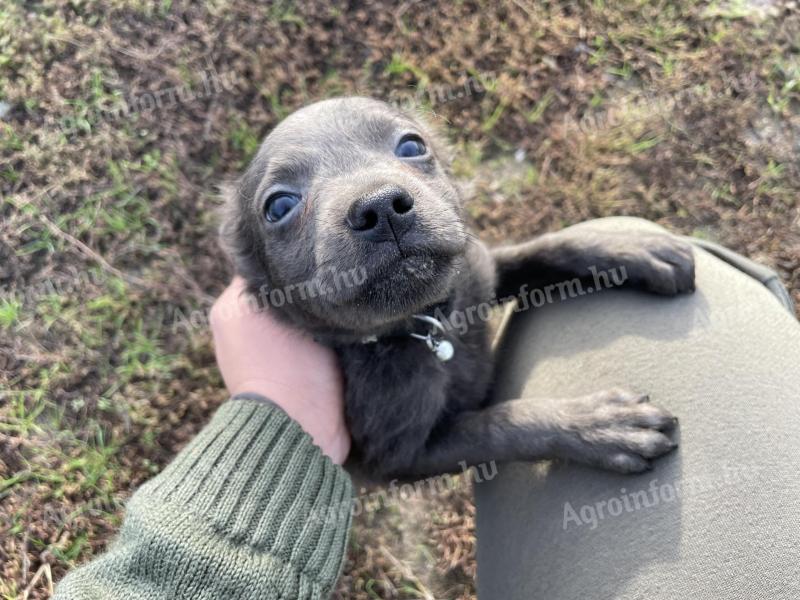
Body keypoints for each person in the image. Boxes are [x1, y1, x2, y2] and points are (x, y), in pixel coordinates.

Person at [54, 218, 800, 599]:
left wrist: (567, 253)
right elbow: (404, 456)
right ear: (259, 273)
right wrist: (551, 425)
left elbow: (488, 270)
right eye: (285, 208)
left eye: (408, 148)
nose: (379, 201)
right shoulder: (366, 385)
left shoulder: (441, 253)